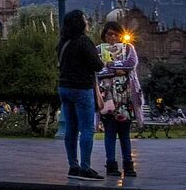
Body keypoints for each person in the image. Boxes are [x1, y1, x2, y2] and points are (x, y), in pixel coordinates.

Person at [57, 10, 105, 181]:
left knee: (71, 128)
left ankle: (73, 166)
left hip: (64, 88)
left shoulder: (62, 42)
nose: (87, 21)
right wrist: (103, 60)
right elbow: (97, 65)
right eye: (85, 19)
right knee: (86, 129)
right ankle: (85, 167)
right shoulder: (84, 42)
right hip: (81, 88)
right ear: (79, 23)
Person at [96, 21, 141, 177]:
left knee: (124, 133)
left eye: (116, 34)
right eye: (109, 34)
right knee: (109, 132)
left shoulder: (129, 49)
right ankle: (111, 164)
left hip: (126, 98)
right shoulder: (97, 50)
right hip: (107, 98)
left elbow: (131, 64)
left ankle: (128, 165)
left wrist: (109, 66)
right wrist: (116, 70)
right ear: (104, 35)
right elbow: (97, 70)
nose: (113, 37)